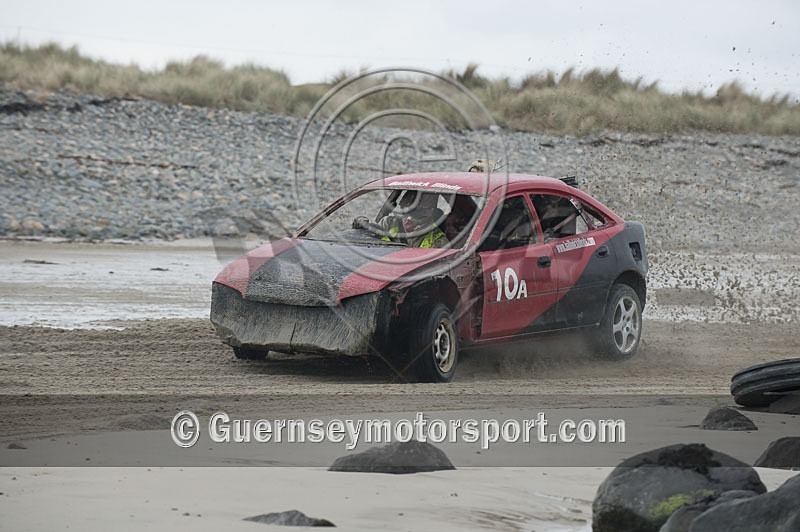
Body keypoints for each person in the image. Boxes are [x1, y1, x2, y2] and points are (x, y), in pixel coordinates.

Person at [353, 190, 448, 248]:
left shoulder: (439, 241)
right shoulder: (388, 223)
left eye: (417, 215)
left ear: (430, 213)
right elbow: (368, 244)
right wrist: (360, 226)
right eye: (405, 212)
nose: (408, 219)